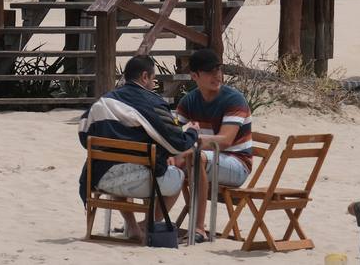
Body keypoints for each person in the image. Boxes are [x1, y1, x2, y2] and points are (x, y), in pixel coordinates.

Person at [77, 54, 197, 243]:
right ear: (144, 77)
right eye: (153, 77)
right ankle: (148, 225)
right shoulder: (152, 103)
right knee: (177, 177)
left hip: (100, 178)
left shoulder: (105, 101)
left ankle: (133, 227)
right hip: (136, 180)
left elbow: (84, 136)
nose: (154, 81)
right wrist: (192, 133)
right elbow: (176, 144)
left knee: (115, 160)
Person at [174, 47, 253, 242]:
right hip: (206, 160)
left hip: (237, 164)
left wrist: (189, 143)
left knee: (193, 157)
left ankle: (199, 228)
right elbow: (173, 133)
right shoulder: (189, 101)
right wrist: (174, 151)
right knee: (162, 159)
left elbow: (225, 140)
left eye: (218, 70)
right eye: (210, 71)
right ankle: (152, 221)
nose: (217, 75)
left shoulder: (234, 99)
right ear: (194, 75)